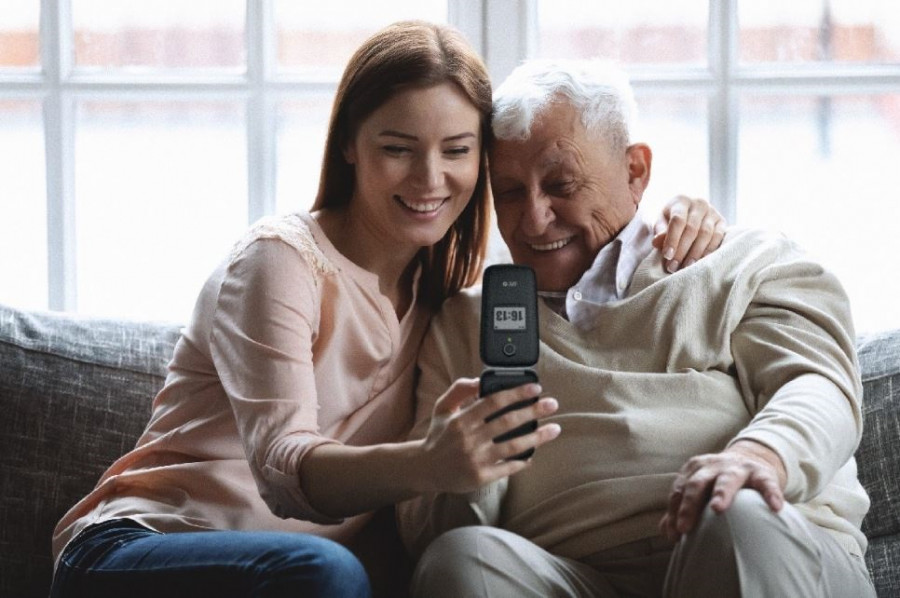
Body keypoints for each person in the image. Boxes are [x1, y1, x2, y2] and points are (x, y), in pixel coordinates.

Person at [49, 23, 725, 598]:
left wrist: (677, 217)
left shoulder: (451, 301)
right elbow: (285, 468)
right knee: (323, 572)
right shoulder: (281, 260)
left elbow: (592, 241)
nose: (430, 179)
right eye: (398, 148)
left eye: (457, 151)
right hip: (138, 551)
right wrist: (430, 461)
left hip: (304, 578)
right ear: (350, 144)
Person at [398, 58, 876, 598]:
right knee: (460, 559)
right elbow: (424, 528)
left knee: (735, 516)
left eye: (561, 184)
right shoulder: (464, 323)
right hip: (574, 576)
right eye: (508, 191)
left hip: (758, 545)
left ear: (635, 172)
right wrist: (460, 471)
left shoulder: (743, 261)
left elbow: (820, 386)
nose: (532, 219)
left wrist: (759, 456)